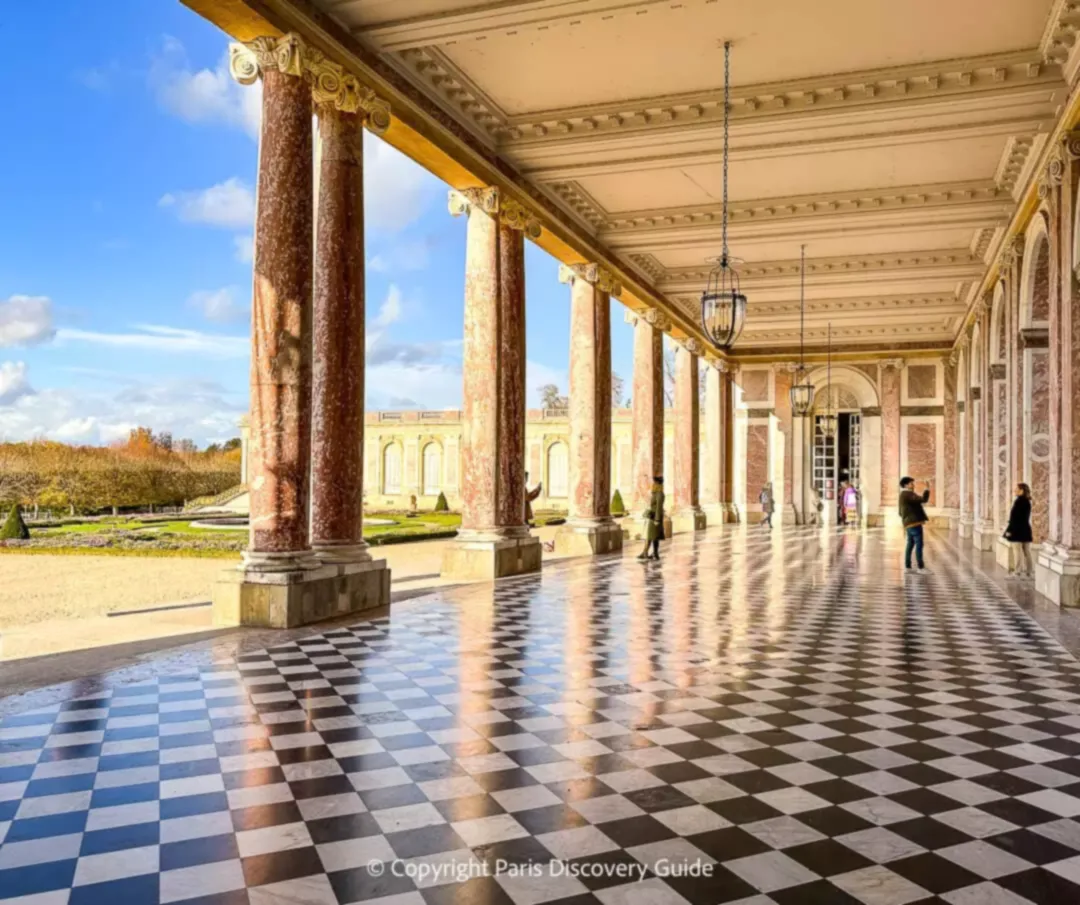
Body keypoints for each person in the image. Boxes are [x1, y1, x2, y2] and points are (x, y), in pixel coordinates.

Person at [899, 476, 931, 573]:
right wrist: (927, 488)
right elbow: (923, 500)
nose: (913, 485)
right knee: (919, 544)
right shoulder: (907, 494)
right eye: (911, 483)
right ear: (906, 485)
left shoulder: (903, 495)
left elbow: (900, 512)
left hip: (908, 523)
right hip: (914, 523)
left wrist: (906, 520)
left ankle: (908, 567)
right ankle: (920, 568)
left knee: (910, 544)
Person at [1004, 483, 1034, 578]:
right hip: (1025, 528)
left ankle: (1018, 572)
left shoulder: (1019, 502)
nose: (1015, 490)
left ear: (1022, 491)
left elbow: (1014, 518)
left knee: (1017, 551)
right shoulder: (1027, 501)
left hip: (1017, 529)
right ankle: (1029, 572)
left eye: (1017, 489)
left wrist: (1009, 530)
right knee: (1027, 551)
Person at [638, 476, 665, 561]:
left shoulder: (660, 494)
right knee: (650, 535)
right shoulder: (655, 493)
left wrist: (657, 519)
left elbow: (659, 508)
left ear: (658, 484)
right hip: (651, 516)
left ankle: (654, 553)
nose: (653, 484)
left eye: (654, 483)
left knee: (654, 536)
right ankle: (646, 552)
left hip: (655, 517)